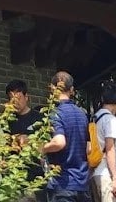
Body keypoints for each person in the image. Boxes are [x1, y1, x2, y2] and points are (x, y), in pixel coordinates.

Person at [43, 70, 90, 201]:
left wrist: (41, 148)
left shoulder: (55, 113)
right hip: (82, 184)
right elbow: (89, 149)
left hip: (62, 184)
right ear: (72, 90)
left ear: (53, 88)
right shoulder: (82, 114)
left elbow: (59, 142)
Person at [5, 79, 46, 201]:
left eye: (18, 98)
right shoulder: (8, 121)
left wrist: (29, 141)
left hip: (37, 177)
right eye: (11, 99)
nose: (15, 102)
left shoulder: (39, 118)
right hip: (15, 178)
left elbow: (47, 144)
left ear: (26, 97)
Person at [91, 81, 116, 200]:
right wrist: (115, 178)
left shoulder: (95, 118)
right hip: (107, 174)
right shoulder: (110, 120)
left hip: (95, 173)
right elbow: (110, 149)